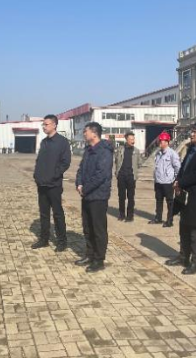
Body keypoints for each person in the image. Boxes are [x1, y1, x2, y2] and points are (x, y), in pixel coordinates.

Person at [165, 122, 196, 275]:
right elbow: (183, 169)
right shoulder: (191, 149)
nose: (192, 134)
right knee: (184, 228)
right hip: (185, 196)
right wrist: (177, 181)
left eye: (195, 132)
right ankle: (183, 257)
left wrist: (181, 182)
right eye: (192, 131)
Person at [75, 122, 114, 273]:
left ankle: (99, 259)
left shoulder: (104, 151)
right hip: (86, 195)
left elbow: (101, 175)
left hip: (98, 196)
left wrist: (85, 189)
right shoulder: (88, 150)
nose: (84, 134)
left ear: (94, 133)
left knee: (98, 229)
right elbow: (80, 169)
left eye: (86, 131)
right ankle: (90, 254)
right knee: (87, 227)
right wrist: (79, 184)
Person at [32, 115, 72, 252]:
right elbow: (40, 161)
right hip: (42, 184)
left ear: (54, 125)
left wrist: (54, 175)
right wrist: (37, 175)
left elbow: (66, 162)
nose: (44, 127)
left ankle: (62, 241)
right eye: (43, 124)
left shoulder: (62, 142)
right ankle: (44, 239)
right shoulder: (44, 142)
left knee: (57, 213)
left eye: (46, 124)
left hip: (54, 185)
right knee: (44, 214)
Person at [149, 132, 181, 227]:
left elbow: (178, 168)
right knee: (158, 200)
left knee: (170, 202)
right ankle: (158, 218)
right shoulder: (158, 153)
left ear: (167, 142)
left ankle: (169, 221)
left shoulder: (172, 154)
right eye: (159, 141)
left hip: (168, 182)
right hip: (158, 181)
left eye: (161, 141)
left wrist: (176, 180)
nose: (159, 143)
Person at [114, 132, 142, 222]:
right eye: (131, 139)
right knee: (121, 197)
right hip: (121, 176)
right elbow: (116, 160)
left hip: (131, 177)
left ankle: (130, 216)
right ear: (126, 140)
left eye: (133, 139)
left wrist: (134, 170)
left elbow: (139, 163)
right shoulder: (120, 149)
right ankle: (121, 215)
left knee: (131, 197)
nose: (133, 141)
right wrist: (118, 172)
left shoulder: (136, 151)